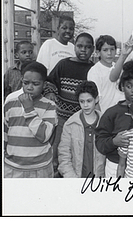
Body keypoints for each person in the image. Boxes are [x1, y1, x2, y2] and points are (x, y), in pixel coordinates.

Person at [44, 32, 95, 177]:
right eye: (79, 46)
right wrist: (51, 92)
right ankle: (54, 179)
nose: (83, 50)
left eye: (87, 47)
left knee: (78, 153)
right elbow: (49, 81)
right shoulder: (64, 64)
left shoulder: (93, 69)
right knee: (58, 151)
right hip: (62, 118)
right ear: (74, 46)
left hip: (82, 120)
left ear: (93, 49)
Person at [4, 62, 57, 178]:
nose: (29, 87)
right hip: (12, 167)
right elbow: (4, 135)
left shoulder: (50, 106)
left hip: (41, 168)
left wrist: (29, 109)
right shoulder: (10, 104)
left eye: (35, 84)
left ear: (44, 85)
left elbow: (43, 136)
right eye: (26, 83)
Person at [96, 60, 133, 177]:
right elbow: (100, 142)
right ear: (122, 87)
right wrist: (114, 141)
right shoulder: (112, 113)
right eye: (129, 86)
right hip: (115, 165)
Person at [58, 81, 105, 178]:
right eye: (82, 101)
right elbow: (64, 154)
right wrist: (71, 178)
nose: (85, 105)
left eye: (89, 101)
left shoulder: (105, 123)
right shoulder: (70, 124)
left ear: (96, 99)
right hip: (76, 179)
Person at [87, 35, 123, 113]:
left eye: (112, 49)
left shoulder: (118, 67)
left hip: (120, 114)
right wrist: (100, 119)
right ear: (98, 52)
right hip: (105, 114)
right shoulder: (94, 71)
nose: (109, 53)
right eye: (105, 50)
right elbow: (95, 100)